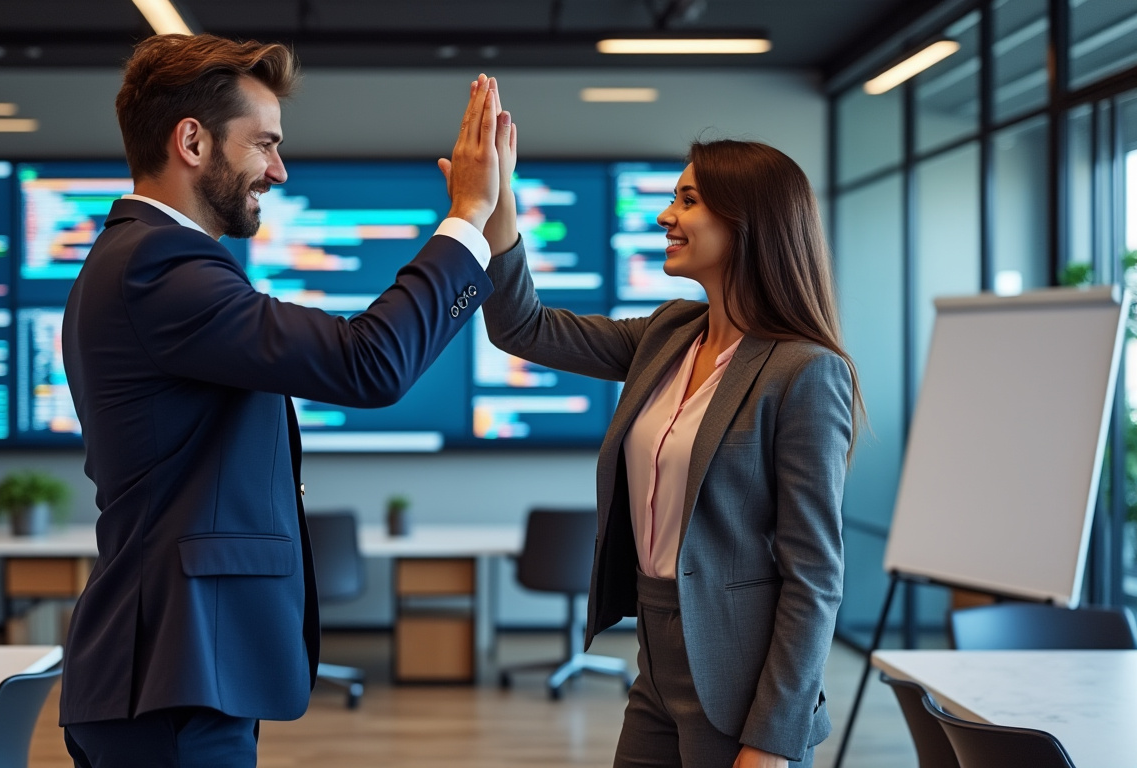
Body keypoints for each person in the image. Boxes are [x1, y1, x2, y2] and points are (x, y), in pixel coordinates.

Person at [58, 33, 509, 767]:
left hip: (179, 673)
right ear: (193, 141)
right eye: (263, 145)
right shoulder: (158, 265)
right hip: (173, 676)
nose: (279, 168)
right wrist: (465, 219)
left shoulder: (146, 259)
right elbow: (370, 364)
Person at [477, 131, 859, 767]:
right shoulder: (668, 333)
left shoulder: (805, 371)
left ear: (747, 223)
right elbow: (522, 326)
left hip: (743, 683)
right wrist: (497, 210)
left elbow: (814, 575)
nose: (665, 215)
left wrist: (771, 738)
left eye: (687, 199)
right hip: (654, 663)